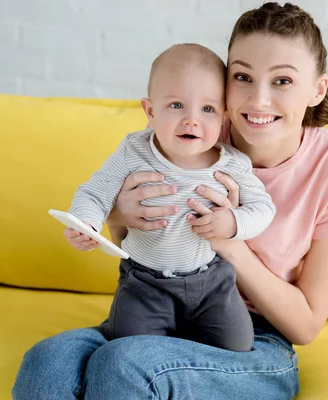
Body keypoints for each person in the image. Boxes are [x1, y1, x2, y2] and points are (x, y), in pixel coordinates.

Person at [12, 3, 328, 400]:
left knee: (127, 364)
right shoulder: (195, 129)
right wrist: (119, 213)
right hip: (156, 306)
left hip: (255, 341)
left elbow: (305, 326)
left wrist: (230, 246)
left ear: (317, 88)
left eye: (282, 81)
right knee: (47, 362)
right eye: (243, 77)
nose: (258, 99)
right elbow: (135, 233)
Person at [63, 43, 275, 352]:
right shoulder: (132, 152)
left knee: (239, 345)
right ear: (150, 111)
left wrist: (233, 221)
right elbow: (94, 192)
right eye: (176, 105)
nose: (192, 120)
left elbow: (263, 208)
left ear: (223, 118)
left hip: (211, 282)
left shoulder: (231, 162)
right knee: (130, 350)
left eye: (208, 109)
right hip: (144, 284)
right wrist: (87, 222)